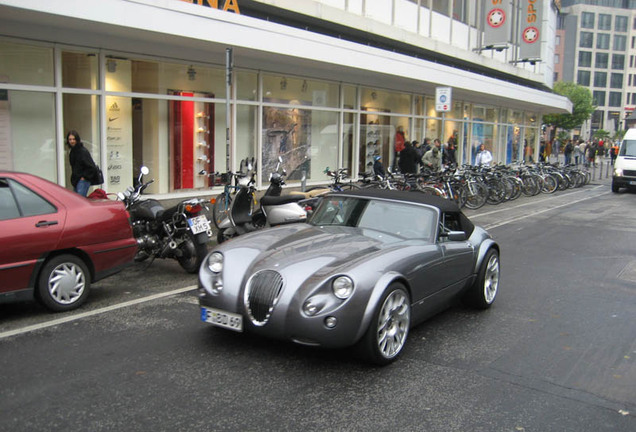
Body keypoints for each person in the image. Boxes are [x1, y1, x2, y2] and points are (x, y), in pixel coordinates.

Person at [67, 130, 97, 197]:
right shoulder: (72, 151)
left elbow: (92, 167)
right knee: (76, 201)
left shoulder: (82, 151)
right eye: (70, 139)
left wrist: (84, 177)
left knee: (80, 201)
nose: (72, 141)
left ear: (77, 140)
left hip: (82, 180)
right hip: (76, 180)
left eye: (74, 139)